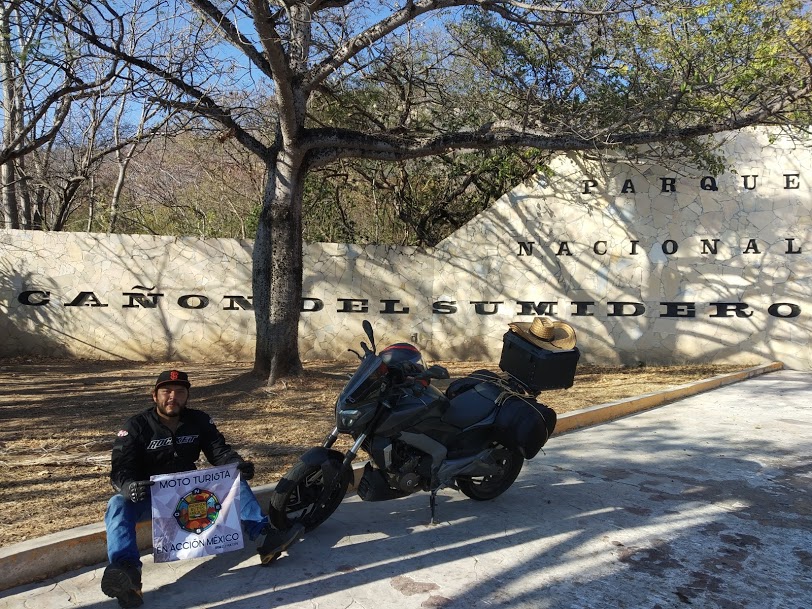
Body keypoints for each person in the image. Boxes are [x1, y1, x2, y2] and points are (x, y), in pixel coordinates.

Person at [101, 369, 304, 608]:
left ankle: (264, 537)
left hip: (190, 497)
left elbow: (220, 452)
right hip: (151, 498)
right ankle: (128, 575)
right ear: (154, 396)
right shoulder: (135, 426)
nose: (172, 397)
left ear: (187, 396)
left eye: (179, 392)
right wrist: (128, 487)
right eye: (166, 391)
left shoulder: (198, 420)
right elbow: (120, 467)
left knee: (233, 478)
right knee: (117, 505)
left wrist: (236, 464)